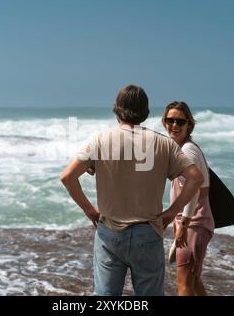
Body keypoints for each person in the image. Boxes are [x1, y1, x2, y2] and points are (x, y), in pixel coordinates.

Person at [60, 85, 204, 296]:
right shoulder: (164, 143)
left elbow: (67, 177)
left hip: (110, 232)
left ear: (117, 110)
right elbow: (196, 178)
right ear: (145, 113)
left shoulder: (100, 140)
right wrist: (172, 212)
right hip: (148, 231)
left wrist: (89, 210)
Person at [162, 101, 215, 296]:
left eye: (179, 121)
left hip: (193, 223)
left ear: (189, 124)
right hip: (194, 221)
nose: (174, 125)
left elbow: (194, 189)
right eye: (170, 120)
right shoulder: (183, 148)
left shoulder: (187, 151)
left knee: (183, 283)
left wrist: (183, 224)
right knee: (193, 279)